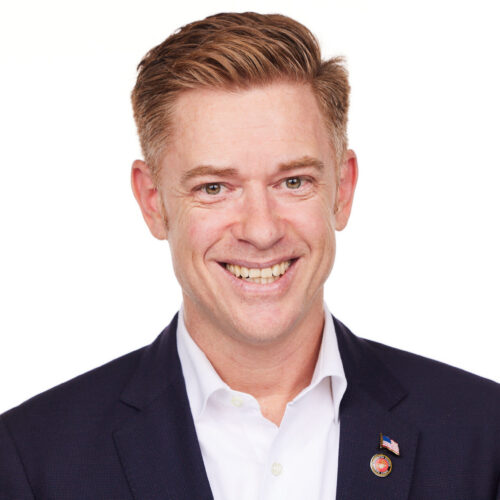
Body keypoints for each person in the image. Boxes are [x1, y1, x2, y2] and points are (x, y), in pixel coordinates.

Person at [1, 11, 499, 500]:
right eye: (214, 187)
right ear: (153, 203)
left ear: (342, 191)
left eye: (293, 181)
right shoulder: (33, 460)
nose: (261, 231)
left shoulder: (484, 435)